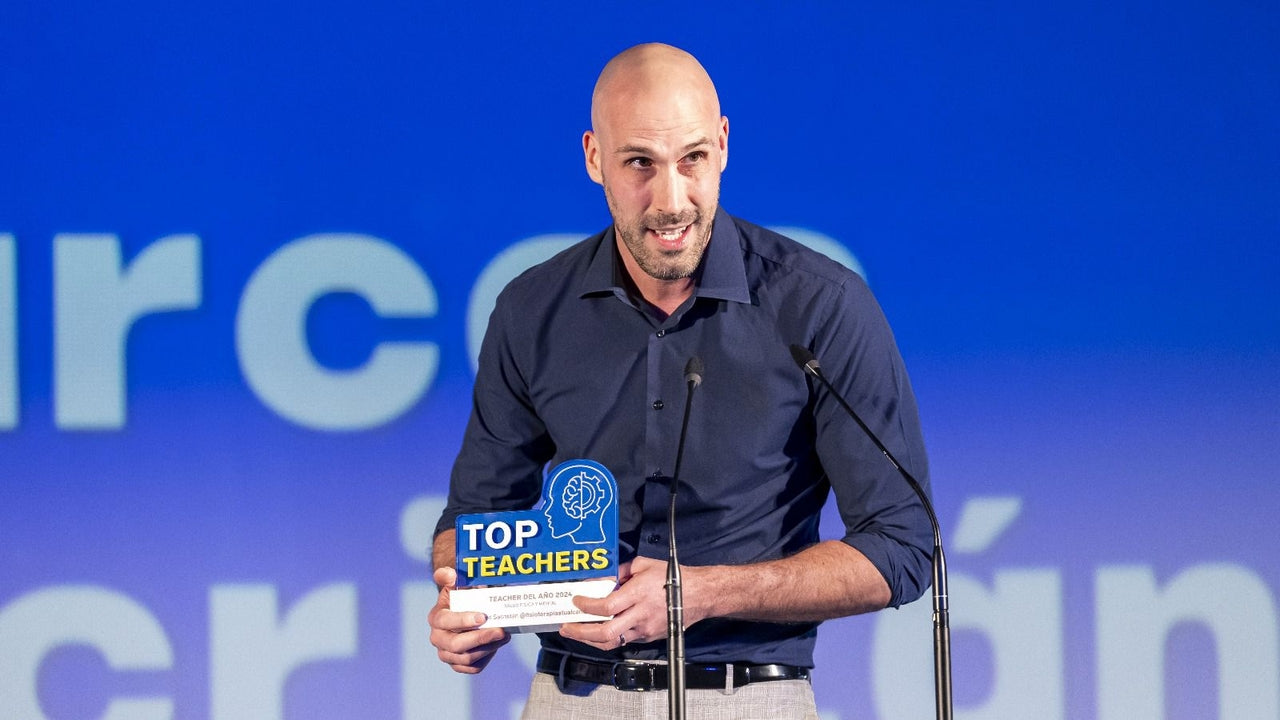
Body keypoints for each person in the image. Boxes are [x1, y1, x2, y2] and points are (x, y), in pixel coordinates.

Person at [429, 42, 933, 719]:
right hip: (572, 696)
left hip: (748, 698)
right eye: (640, 162)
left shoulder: (821, 306)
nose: (671, 201)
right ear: (594, 158)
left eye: (691, 158)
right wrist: (465, 598)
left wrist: (704, 592)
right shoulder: (531, 309)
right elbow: (473, 520)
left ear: (722, 144)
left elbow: (901, 547)